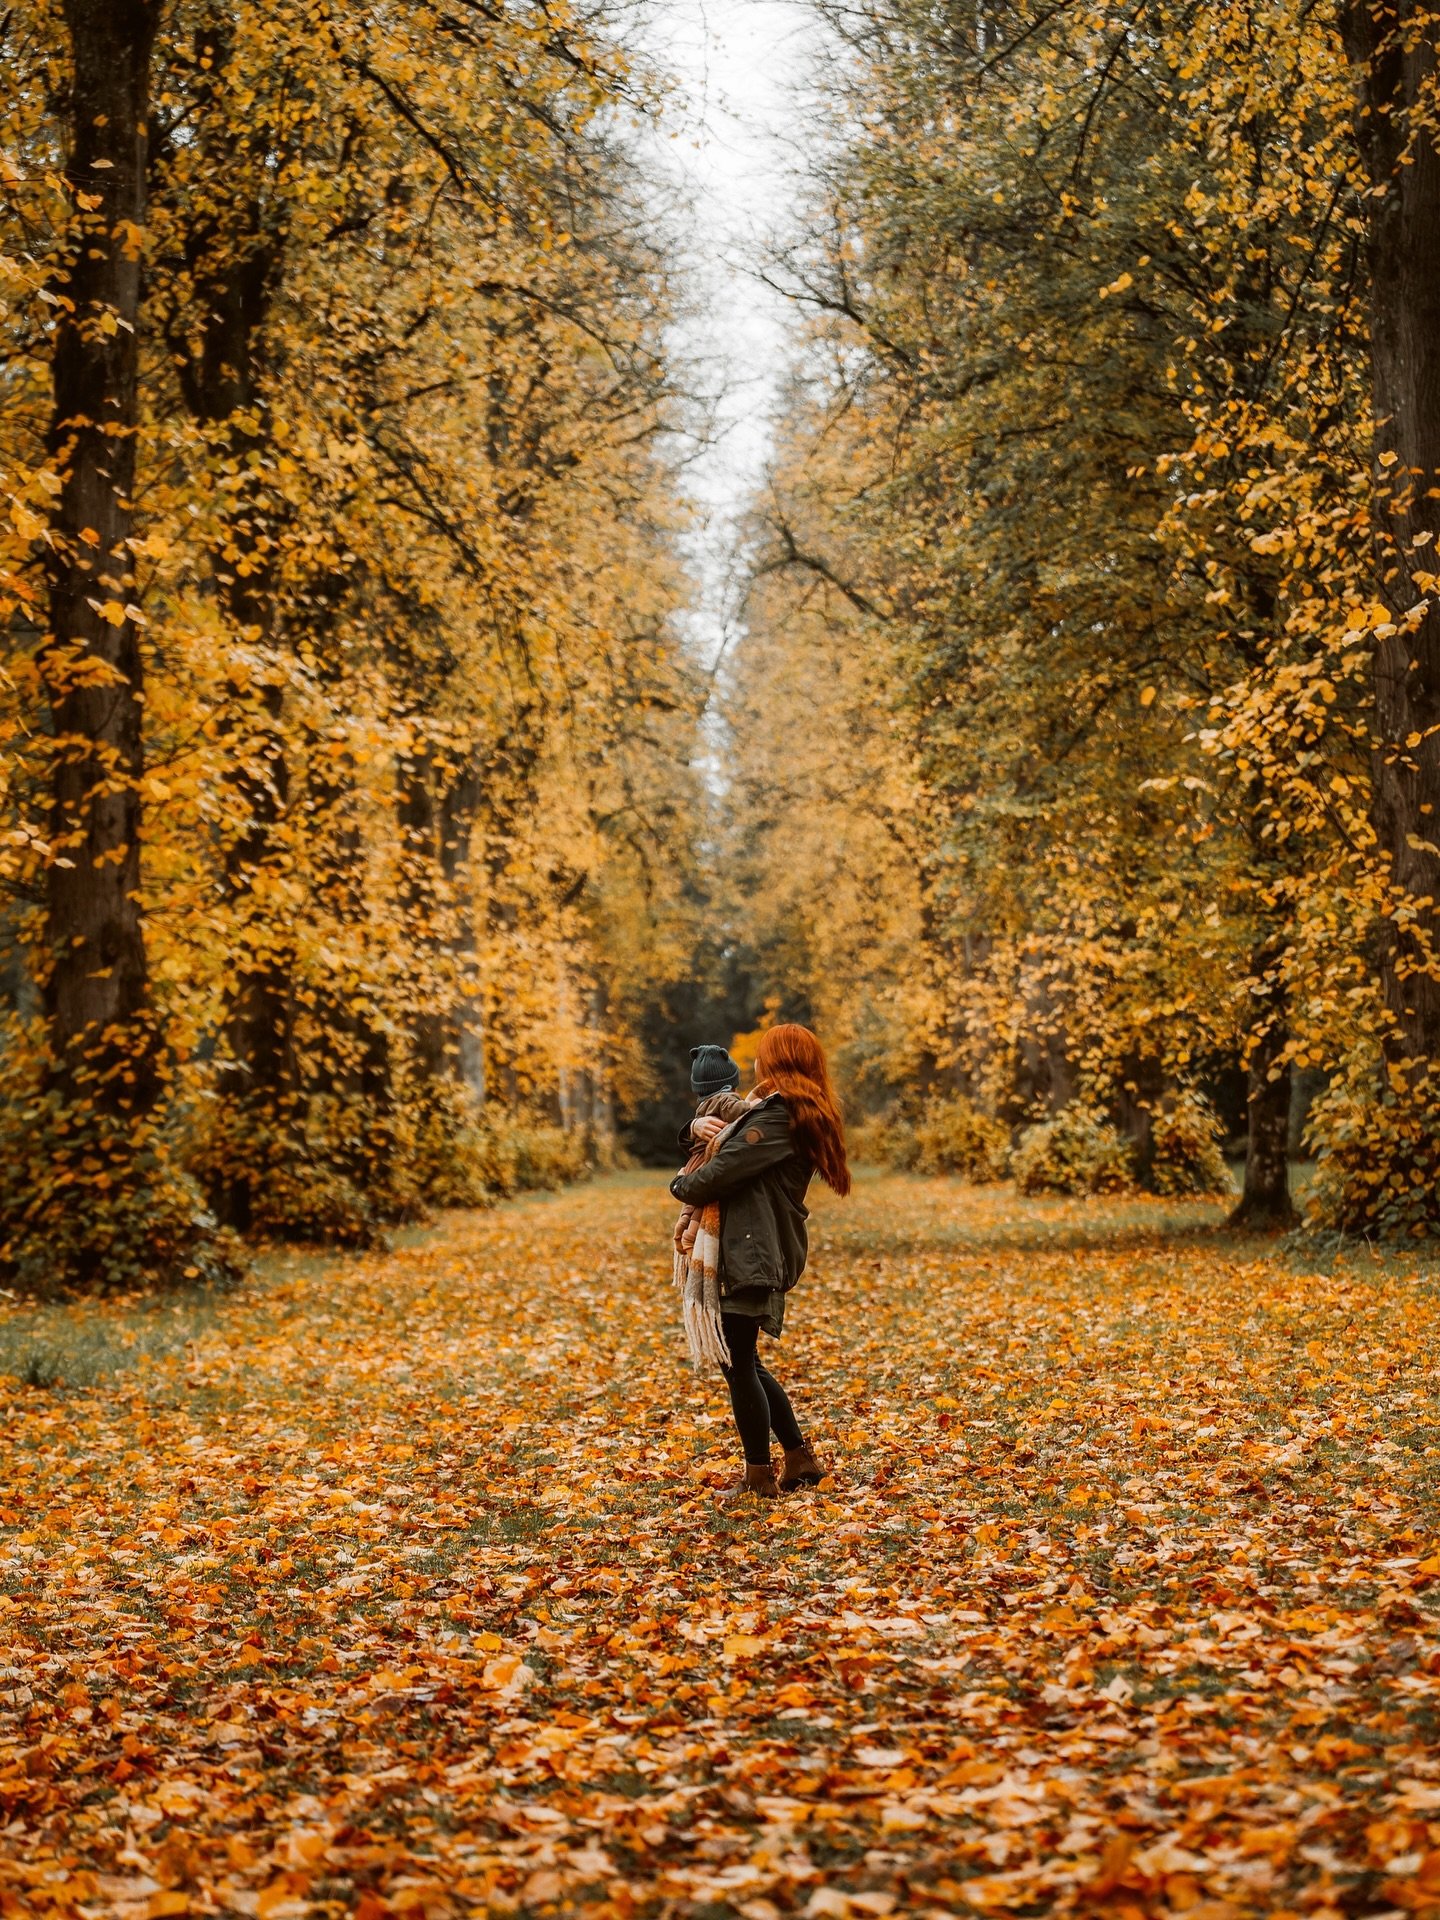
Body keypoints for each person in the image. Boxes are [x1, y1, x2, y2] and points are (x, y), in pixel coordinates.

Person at [670, 1024, 851, 1499]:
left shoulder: (778, 1116)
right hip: (752, 1243)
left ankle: (758, 1475)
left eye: (763, 1056)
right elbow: (721, 1138)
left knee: (738, 1363)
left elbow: (720, 1172)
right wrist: (691, 1128)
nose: (754, 1065)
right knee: (742, 1359)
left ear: (778, 1062)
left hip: (752, 1247)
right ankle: (798, 1458)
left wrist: (679, 1187)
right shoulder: (779, 1111)